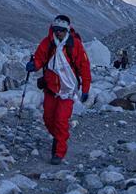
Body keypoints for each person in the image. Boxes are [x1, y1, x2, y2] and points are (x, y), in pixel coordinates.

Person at [26, 15, 91, 164]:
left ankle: (59, 152)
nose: (58, 33)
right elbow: (39, 58)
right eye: (56, 30)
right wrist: (34, 65)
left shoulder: (75, 45)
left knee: (61, 120)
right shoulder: (47, 43)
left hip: (68, 90)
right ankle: (60, 137)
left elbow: (84, 67)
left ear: (66, 30)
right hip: (51, 88)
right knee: (48, 119)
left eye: (61, 30)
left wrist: (86, 89)